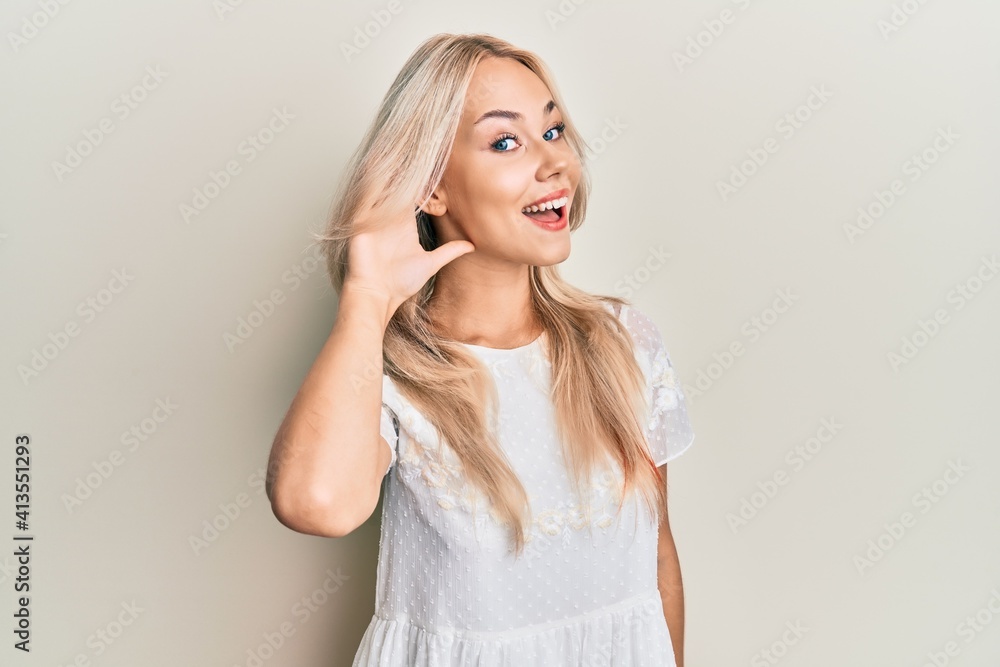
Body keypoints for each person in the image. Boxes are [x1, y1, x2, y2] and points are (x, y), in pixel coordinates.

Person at [265, 32, 695, 666]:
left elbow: (659, 562)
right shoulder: (387, 374)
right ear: (431, 187)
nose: (555, 163)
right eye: (505, 141)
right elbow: (314, 504)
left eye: (553, 131)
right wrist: (367, 299)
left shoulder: (623, 342)